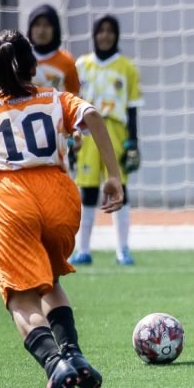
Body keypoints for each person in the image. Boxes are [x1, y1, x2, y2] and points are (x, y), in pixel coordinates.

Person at [0, 30, 124, 388]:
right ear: (33, 65)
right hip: (59, 194)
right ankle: (73, 354)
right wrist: (112, 176)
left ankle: (55, 366)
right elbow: (92, 114)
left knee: (20, 297)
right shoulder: (54, 97)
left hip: (13, 197)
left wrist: (6, 199)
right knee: (48, 280)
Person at [71, 14, 142, 266]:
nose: (105, 35)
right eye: (101, 30)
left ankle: (122, 250)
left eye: (110, 30)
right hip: (87, 133)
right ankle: (83, 249)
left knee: (120, 189)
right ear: (94, 34)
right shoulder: (81, 65)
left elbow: (133, 108)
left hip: (116, 133)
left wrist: (133, 142)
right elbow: (72, 104)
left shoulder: (127, 67)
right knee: (87, 191)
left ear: (116, 35)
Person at [27, 4, 80, 95]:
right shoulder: (20, 59)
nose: (41, 31)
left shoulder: (67, 61)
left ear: (55, 29)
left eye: (47, 25)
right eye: (37, 25)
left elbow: (74, 96)